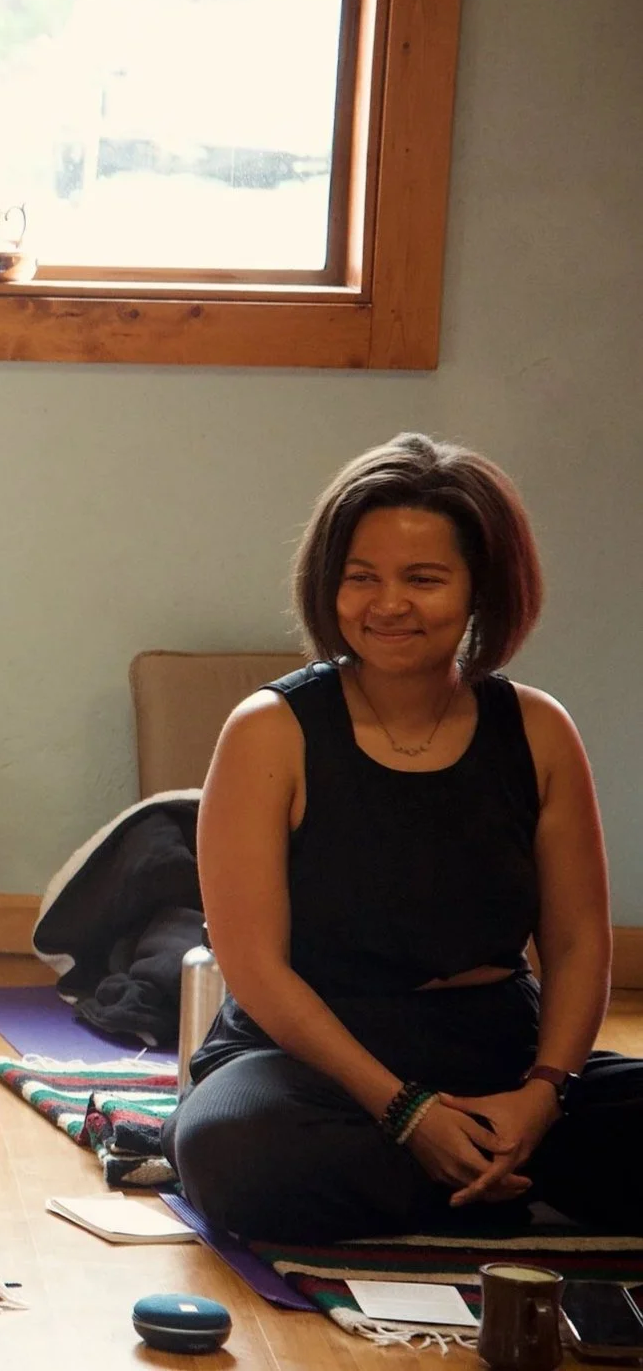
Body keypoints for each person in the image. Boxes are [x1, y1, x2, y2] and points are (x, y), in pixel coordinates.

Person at [163, 433, 643, 1243]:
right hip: (316, 1059)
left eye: (424, 579)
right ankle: (492, 1190)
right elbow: (253, 967)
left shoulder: (537, 729)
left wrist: (545, 1092)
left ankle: (489, 1166)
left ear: (482, 589)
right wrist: (406, 1111)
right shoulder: (269, 730)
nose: (389, 605)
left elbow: (575, 942)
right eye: (362, 578)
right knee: (230, 1149)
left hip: (500, 1050)